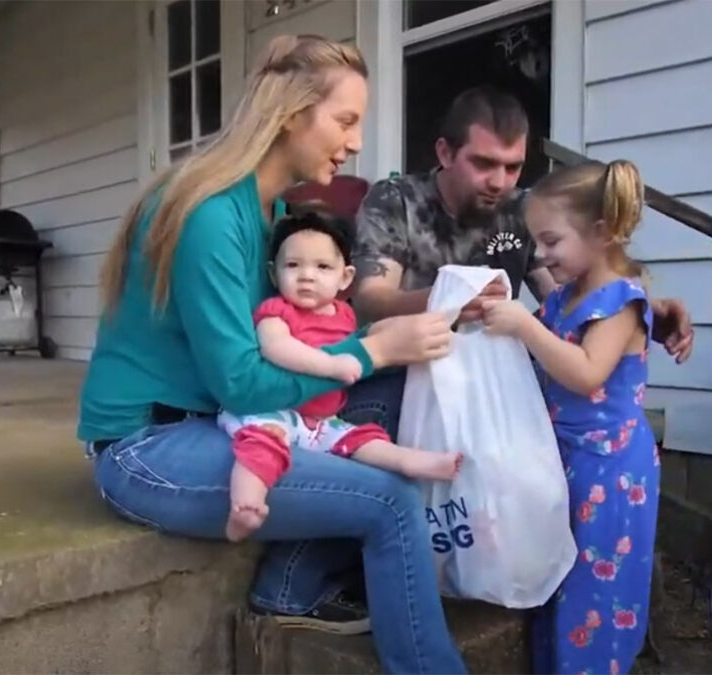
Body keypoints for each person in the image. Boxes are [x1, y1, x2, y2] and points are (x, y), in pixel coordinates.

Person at [77, 34, 467, 674]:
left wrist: (399, 345)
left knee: (394, 396)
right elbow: (240, 381)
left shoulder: (277, 214)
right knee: (390, 501)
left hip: (228, 423)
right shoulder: (210, 212)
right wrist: (371, 349)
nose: (357, 141)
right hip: (150, 447)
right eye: (345, 120)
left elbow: (297, 349)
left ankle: (290, 584)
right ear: (291, 114)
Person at [349, 85, 694, 439]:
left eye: (513, 167)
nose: (500, 182)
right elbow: (372, 299)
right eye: (484, 164)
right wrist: (451, 300)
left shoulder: (524, 209)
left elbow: (563, 297)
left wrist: (638, 309)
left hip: (495, 374)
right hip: (408, 369)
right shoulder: (395, 200)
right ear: (446, 153)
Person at [481, 159, 660, 675]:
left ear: (601, 233)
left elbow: (586, 373)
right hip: (567, 459)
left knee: (594, 590)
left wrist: (523, 327)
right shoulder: (565, 296)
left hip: (611, 468)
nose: (540, 254)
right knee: (556, 577)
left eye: (552, 241)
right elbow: (534, 345)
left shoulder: (621, 302)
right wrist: (498, 309)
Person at [216, 209, 463, 541]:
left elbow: (365, 337)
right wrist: (330, 365)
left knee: (362, 439)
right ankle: (245, 506)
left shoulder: (344, 314)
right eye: (293, 266)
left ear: (345, 278)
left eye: (322, 267)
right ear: (274, 275)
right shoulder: (276, 312)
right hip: (271, 411)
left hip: (322, 421)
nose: (306, 276)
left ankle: (413, 462)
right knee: (262, 446)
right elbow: (277, 348)